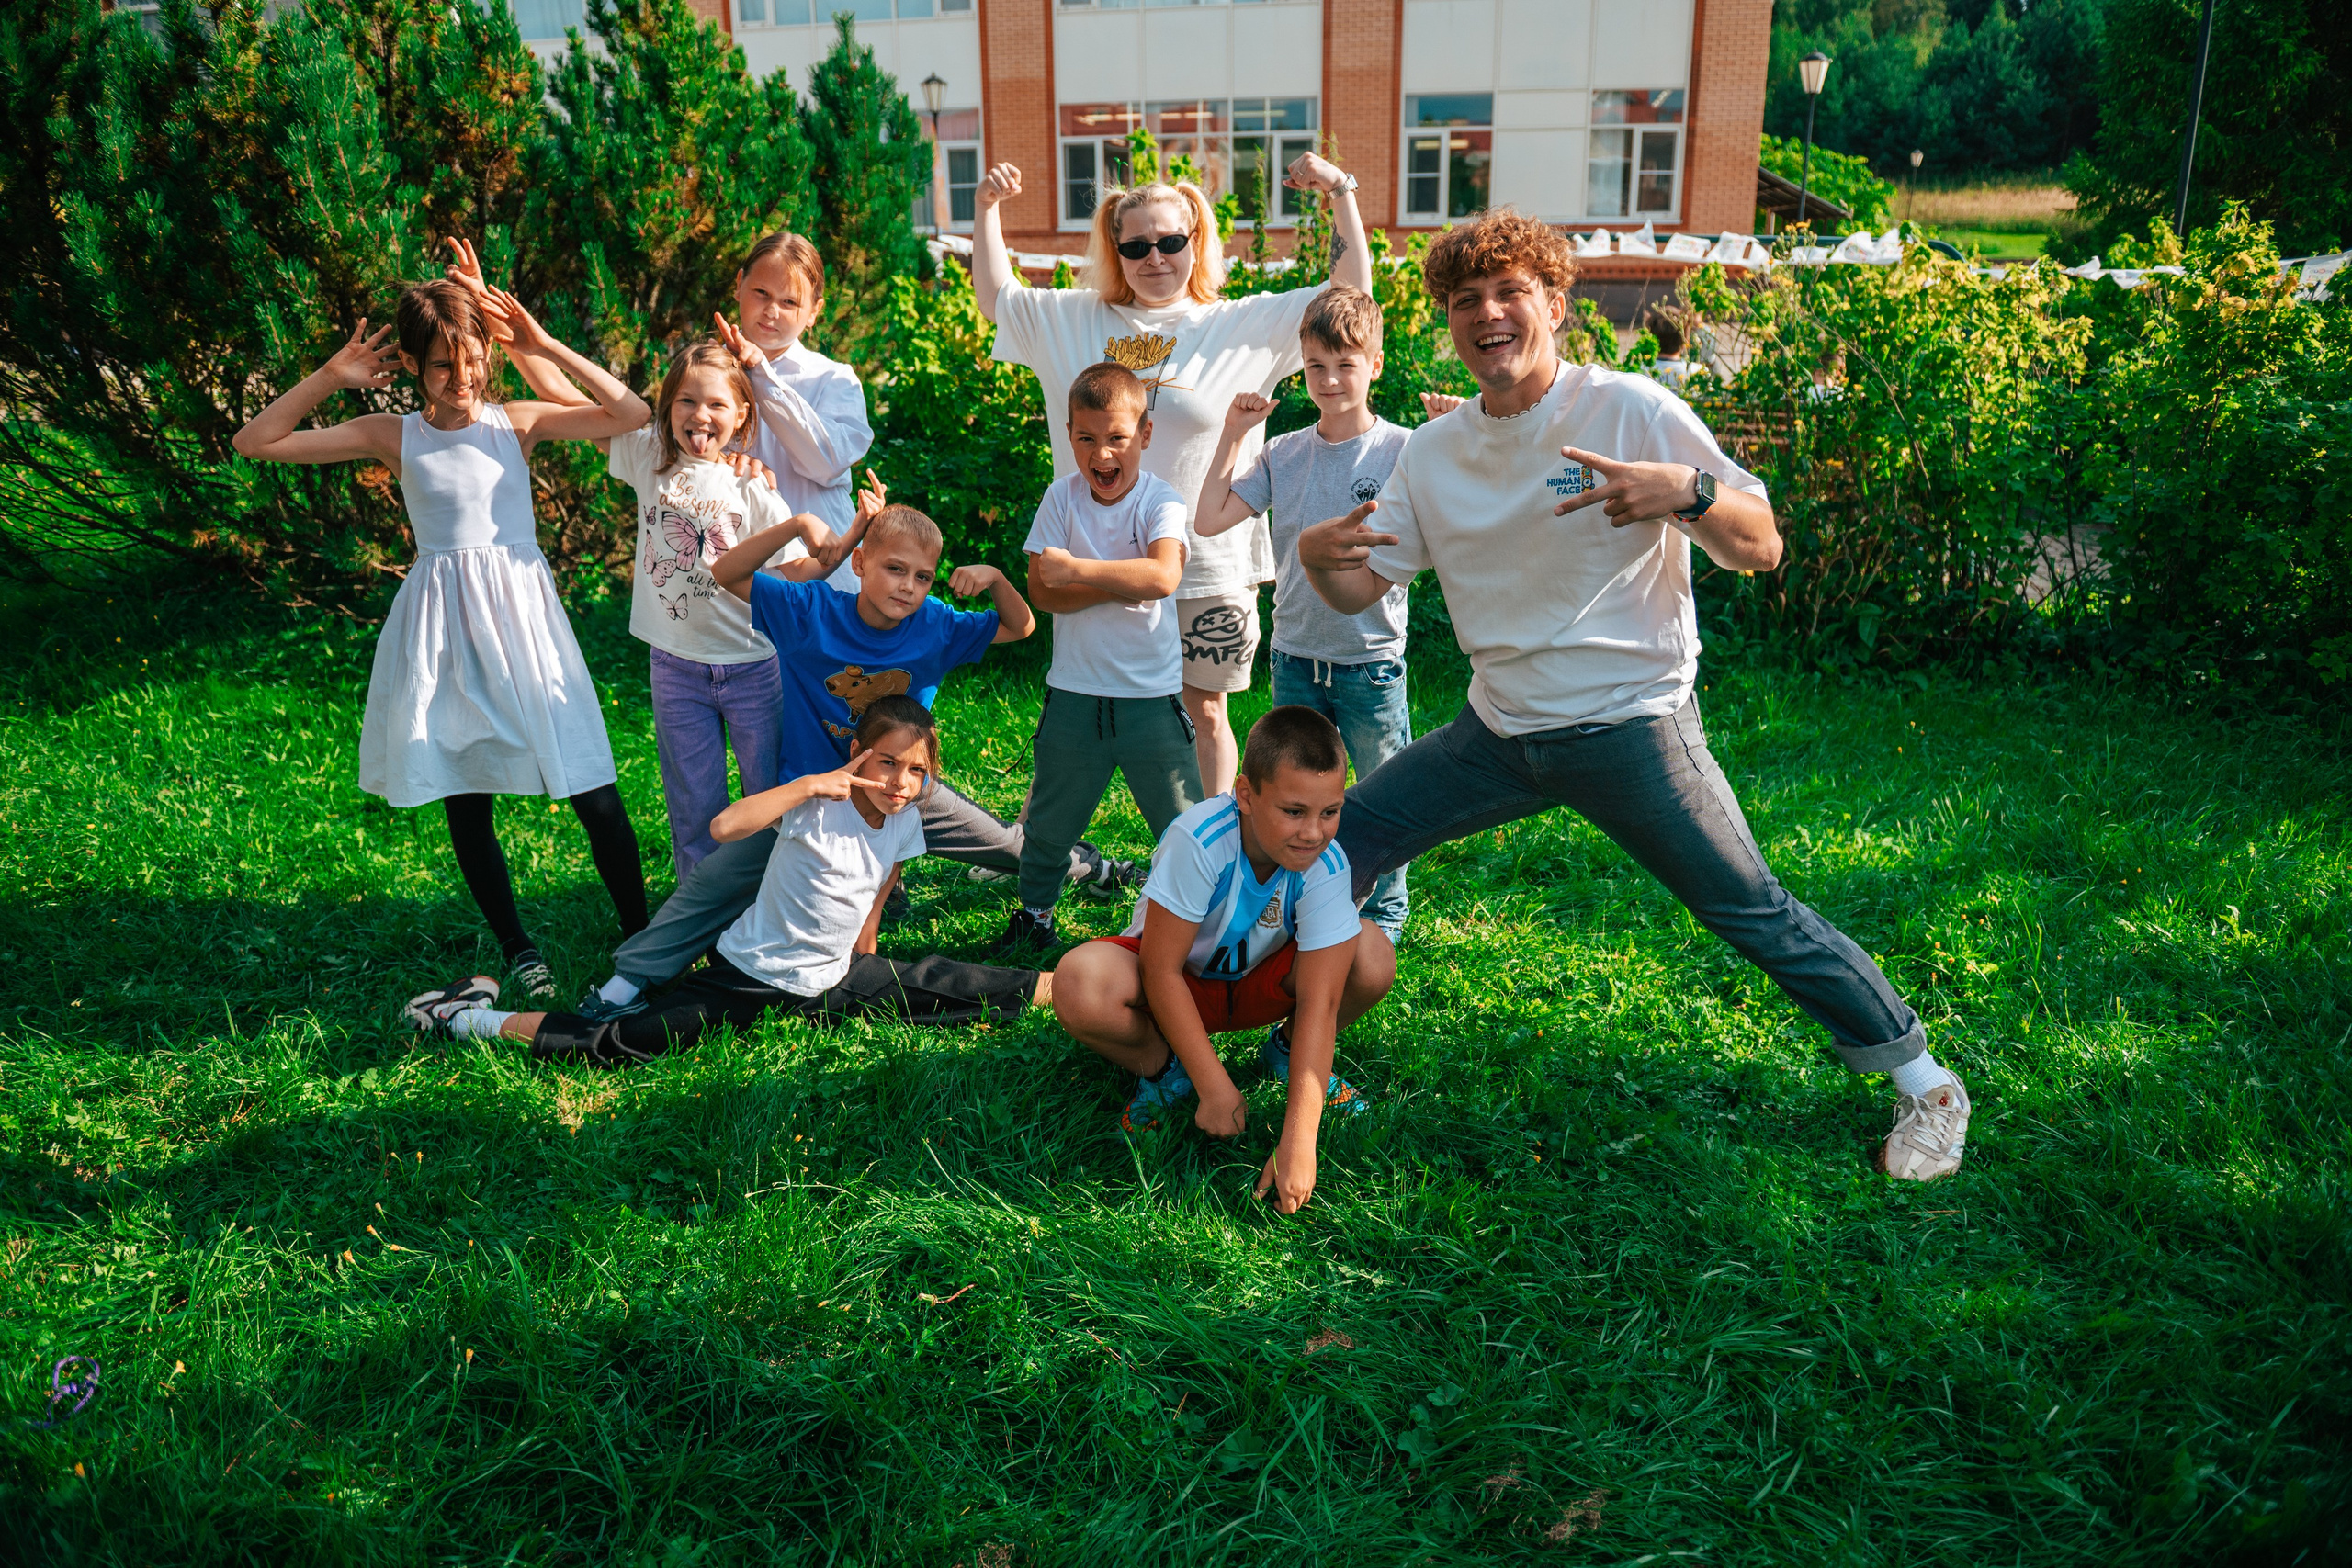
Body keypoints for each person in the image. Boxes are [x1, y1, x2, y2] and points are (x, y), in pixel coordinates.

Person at [1295, 209, 1971, 1181]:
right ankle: (1291, 1035)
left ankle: (1927, 1082)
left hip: (1629, 728)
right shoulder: (1432, 454)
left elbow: (1762, 545)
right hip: (1498, 732)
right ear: (1447, 321)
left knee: (1749, 907)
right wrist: (1321, 559)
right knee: (1340, 843)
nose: (1486, 313)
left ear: (1555, 306)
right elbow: (1362, 585)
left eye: (1507, 292)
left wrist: (1687, 493)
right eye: (1463, 300)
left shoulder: (1629, 407)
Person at [559, 497, 1139, 1027]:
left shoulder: (935, 624)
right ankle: (626, 981)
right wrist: (798, 528)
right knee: (719, 881)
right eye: (894, 568)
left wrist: (994, 577)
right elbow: (726, 574)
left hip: (902, 790)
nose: (909, 586)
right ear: (859, 562)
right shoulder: (809, 610)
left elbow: (1023, 626)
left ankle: (1079, 866)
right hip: (815, 795)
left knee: (1008, 846)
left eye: (922, 576)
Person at [233, 268, 650, 1001]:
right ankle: (519, 946)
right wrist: (330, 376)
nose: (461, 377)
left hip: (526, 623)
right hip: (445, 629)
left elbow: (630, 413)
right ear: (417, 368)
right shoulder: (392, 436)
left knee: (592, 784)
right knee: (467, 790)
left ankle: (644, 939)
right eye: (441, 366)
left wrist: (537, 344)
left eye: (472, 360)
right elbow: (255, 441)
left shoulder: (516, 421)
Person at [972, 148, 1374, 796]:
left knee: (1205, 711)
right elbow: (997, 299)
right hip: (1099, 562)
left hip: (1211, 562)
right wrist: (986, 208)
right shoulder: (1075, 318)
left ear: (1196, 242)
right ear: (1114, 250)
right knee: (1081, 705)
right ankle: (1044, 842)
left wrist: (1340, 188)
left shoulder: (1241, 323)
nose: (1154, 258)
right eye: (1136, 247)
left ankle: (1211, 844)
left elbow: (1349, 296)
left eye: (1170, 241)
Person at [406, 698, 1050, 1063]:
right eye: (886, 763)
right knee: (617, 1044)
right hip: (751, 976)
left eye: (914, 770)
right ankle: (468, 1018)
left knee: (942, 984)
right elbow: (723, 826)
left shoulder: (904, 820)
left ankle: (1061, 985)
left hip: (829, 978)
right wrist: (802, 786)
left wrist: (868, 947)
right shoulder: (813, 806)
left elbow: (883, 879)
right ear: (857, 753)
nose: (899, 783)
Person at [1051, 706, 1396, 1214]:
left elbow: (1321, 1003)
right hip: (1174, 988)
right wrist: (1213, 1086)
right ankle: (1168, 1070)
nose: (1314, 832)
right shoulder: (1201, 841)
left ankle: (1283, 1053)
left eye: (1330, 811)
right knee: (1078, 982)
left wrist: (1299, 1140)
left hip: (1259, 987)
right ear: (1246, 794)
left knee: (1371, 954)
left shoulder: (1325, 861)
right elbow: (1160, 970)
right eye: (1294, 811)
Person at [1196, 285, 1415, 941]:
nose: (1329, 380)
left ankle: (1383, 913)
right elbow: (1209, 518)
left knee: (1379, 795)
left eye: (1346, 364)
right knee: (1294, 795)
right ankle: (1304, 901)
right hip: (1295, 658)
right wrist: (1233, 433)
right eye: (1316, 366)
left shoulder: (1405, 449)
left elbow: (1464, 513)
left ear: (1375, 364)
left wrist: (1466, 428)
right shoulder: (1284, 452)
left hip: (1370, 662)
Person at [604, 336, 849, 880]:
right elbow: (583, 405)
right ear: (667, 408)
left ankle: (770, 904)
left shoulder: (751, 484)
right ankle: (703, 922)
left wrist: (842, 547)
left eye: (717, 404)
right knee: (694, 808)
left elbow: (796, 574)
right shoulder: (648, 457)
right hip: (675, 667)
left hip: (754, 666)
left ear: (741, 415)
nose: (700, 415)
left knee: (768, 798)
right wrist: (535, 345)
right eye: (686, 401)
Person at [1004, 362, 1197, 953]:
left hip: (1150, 702)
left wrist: (1079, 571)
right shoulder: (1061, 498)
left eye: (1116, 437)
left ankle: (1202, 920)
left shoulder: (1160, 500)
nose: (1102, 454)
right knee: (1050, 823)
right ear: (1069, 436)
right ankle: (1034, 914)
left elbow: (1162, 576)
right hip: (1075, 695)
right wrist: (1120, 580)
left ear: (1144, 434)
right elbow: (1041, 591)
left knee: (1185, 826)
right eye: (1087, 439)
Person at [711, 231, 874, 593]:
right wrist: (722, 460)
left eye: (790, 302)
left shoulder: (834, 379)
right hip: (730, 587)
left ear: (814, 311)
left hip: (824, 586)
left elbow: (825, 461)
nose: (772, 311)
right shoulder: (703, 373)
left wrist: (760, 374)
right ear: (739, 285)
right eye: (762, 294)